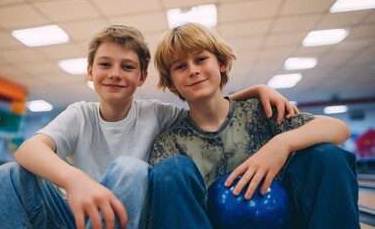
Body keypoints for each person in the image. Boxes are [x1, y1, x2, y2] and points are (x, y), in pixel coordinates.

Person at [0, 25, 297, 229]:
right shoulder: (80, 114)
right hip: (76, 219)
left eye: (127, 67)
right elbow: (29, 149)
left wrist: (256, 92)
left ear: (141, 78)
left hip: (127, 219)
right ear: (90, 72)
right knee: (6, 175)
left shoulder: (156, 113)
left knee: (131, 169)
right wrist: (75, 180)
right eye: (105, 65)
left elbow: (205, 103)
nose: (115, 73)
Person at [149, 22, 359, 229]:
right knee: (169, 169)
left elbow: (339, 129)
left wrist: (282, 143)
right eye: (180, 66)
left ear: (221, 63)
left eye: (200, 59)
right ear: (170, 83)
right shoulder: (169, 143)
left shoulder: (261, 112)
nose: (193, 70)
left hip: (283, 221)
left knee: (327, 155)